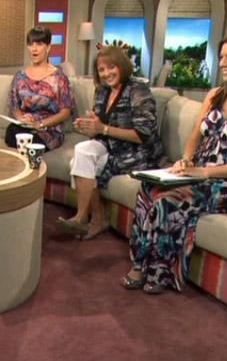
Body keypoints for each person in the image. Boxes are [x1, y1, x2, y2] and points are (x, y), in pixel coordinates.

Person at [121, 29, 227, 295]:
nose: (223, 63)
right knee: (147, 189)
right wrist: (186, 160)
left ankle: (161, 273)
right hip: (198, 174)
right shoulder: (215, 94)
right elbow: (195, 136)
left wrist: (206, 172)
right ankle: (140, 264)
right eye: (222, 57)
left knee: (168, 201)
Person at [56, 45, 164, 240]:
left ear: (122, 65)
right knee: (81, 151)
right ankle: (90, 217)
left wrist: (103, 129)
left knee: (79, 164)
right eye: (101, 69)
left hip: (139, 152)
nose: (106, 73)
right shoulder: (101, 91)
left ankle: (88, 218)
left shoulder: (138, 91)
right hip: (112, 146)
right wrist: (90, 127)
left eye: (111, 67)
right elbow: (100, 126)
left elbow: (144, 135)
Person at [4, 26, 75, 151]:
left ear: (48, 47)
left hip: (49, 129)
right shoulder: (20, 77)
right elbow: (15, 106)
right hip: (26, 126)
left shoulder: (59, 78)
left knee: (31, 142)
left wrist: (39, 124)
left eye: (39, 44)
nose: (34, 48)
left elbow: (66, 113)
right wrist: (22, 119)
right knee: (11, 131)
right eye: (31, 44)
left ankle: (30, 157)